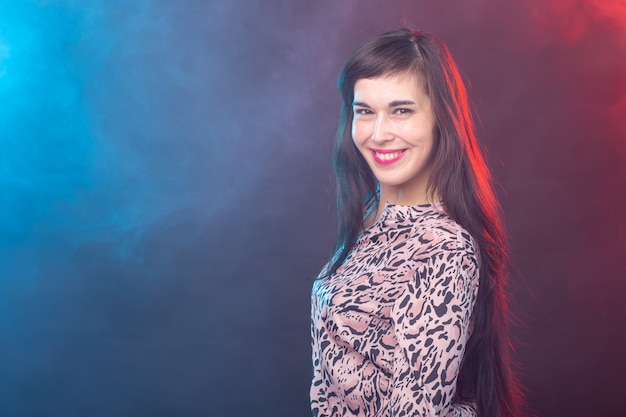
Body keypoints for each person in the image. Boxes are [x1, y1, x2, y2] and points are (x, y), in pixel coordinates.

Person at [310, 28, 523, 417]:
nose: (378, 134)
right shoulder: (370, 216)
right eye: (364, 111)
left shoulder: (444, 248)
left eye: (401, 110)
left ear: (440, 118)